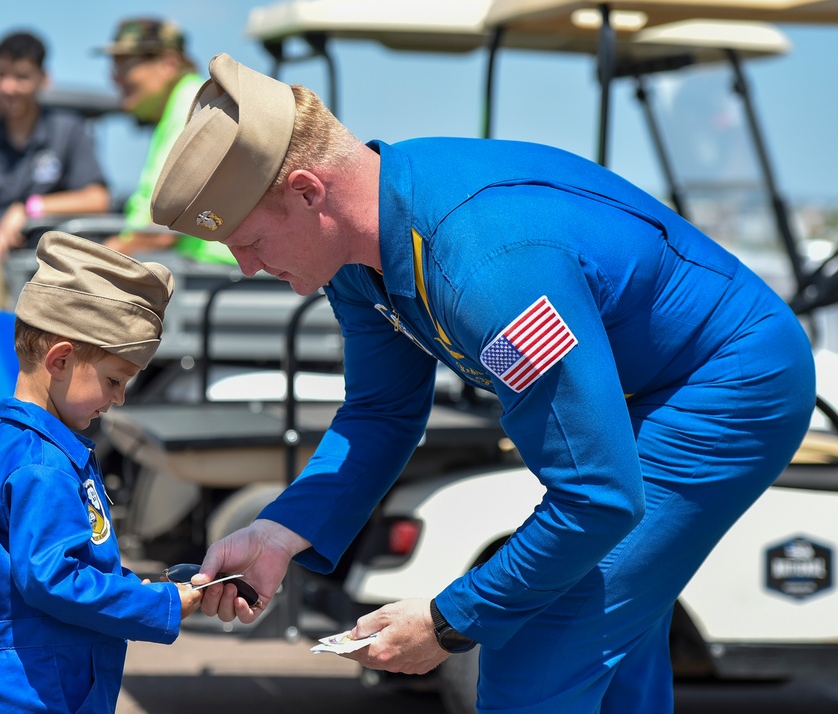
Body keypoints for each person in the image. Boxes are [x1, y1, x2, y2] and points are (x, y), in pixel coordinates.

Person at [150, 54, 817, 713]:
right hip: (640, 389)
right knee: (602, 642)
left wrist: (448, 621)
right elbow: (381, 410)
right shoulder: (358, 249)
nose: (243, 267)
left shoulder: (491, 269)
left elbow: (596, 495)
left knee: (537, 639)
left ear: (305, 190)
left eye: (249, 240)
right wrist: (278, 532)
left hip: (723, 384)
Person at [0, 231, 200, 711]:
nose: (119, 398)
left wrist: (129, 588)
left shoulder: (32, 447)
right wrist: (163, 604)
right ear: (60, 359)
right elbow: (54, 579)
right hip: (30, 694)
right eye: (113, 380)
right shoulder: (42, 464)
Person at [96, 17, 234, 264]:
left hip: (212, 278)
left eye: (124, 65)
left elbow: (168, 225)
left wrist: (106, 254)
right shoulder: (184, 105)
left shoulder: (192, 107)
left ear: (168, 63)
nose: (114, 79)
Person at [0, 30, 110, 264]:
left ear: (43, 79)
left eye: (21, 77)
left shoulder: (67, 129)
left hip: (50, 269)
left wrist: (29, 209)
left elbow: (97, 199)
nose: (9, 87)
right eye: (1, 75)